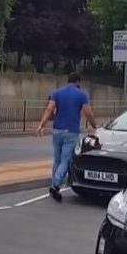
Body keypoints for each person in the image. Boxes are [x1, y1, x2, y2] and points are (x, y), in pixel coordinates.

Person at [36, 73, 97, 202]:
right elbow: (88, 113)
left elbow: (49, 109)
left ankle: (54, 185)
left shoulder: (56, 93)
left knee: (57, 159)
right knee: (66, 160)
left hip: (57, 130)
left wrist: (41, 125)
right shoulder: (82, 94)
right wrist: (94, 126)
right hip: (71, 131)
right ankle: (56, 184)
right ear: (78, 82)